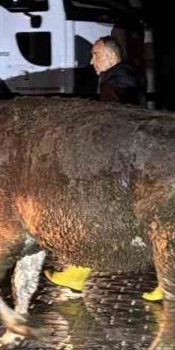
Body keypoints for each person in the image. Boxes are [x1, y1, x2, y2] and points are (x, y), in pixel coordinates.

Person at [45, 36, 153, 298]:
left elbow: (114, 115)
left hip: (122, 164)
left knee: (121, 222)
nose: (91, 61)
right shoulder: (116, 77)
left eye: (96, 55)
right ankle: (76, 274)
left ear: (111, 57)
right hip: (125, 162)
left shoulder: (119, 79)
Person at [93, 36, 146, 106]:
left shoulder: (115, 81)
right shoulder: (123, 76)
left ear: (112, 57)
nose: (92, 62)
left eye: (97, 56)